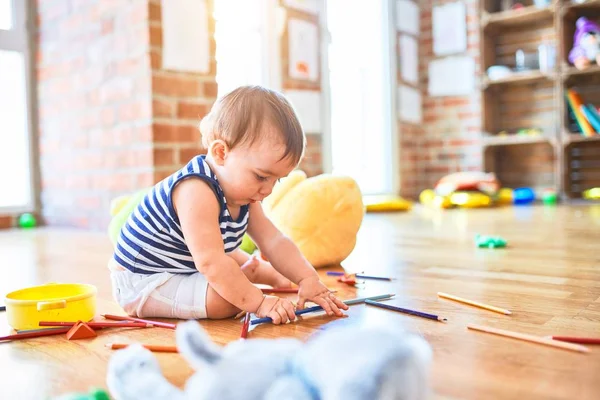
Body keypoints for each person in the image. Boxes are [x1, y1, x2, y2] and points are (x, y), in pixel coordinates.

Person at [108, 85, 348, 324]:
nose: (268, 190)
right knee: (230, 299)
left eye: (277, 180)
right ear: (221, 153)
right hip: (144, 279)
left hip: (187, 264)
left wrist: (308, 278)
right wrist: (260, 302)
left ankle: (253, 271)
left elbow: (274, 241)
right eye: (262, 177)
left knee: (230, 273)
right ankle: (250, 273)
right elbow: (210, 263)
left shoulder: (244, 193)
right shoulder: (196, 190)